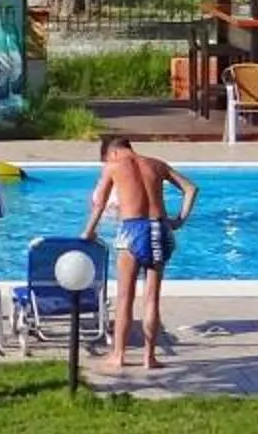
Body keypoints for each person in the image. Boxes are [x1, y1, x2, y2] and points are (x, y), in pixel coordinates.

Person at [79, 135, 198, 370]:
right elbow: (191, 188)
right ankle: (149, 358)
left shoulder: (114, 166)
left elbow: (99, 204)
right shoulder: (156, 164)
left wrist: (89, 232)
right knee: (152, 298)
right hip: (161, 229)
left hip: (133, 229)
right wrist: (179, 220)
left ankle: (119, 355)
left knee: (125, 298)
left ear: (111, 153)